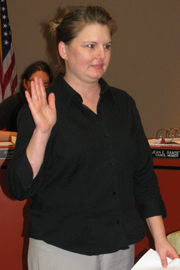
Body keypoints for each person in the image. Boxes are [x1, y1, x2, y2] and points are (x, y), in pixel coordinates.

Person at [6, 5, 178, 270]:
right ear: (63, 49)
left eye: (107, 46)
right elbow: (19, 187)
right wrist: (42, 132)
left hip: (119, 250)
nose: (101, 55)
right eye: (90, 46)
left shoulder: (123, 105)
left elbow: (144, 178)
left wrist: (159, 238)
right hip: (61, 250)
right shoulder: (41, 107)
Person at [0, 61, 53, 132]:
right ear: (25, 83)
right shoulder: (11, 105)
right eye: (34, 81)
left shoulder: (53, 106)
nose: (39, 86)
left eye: (45, 83)